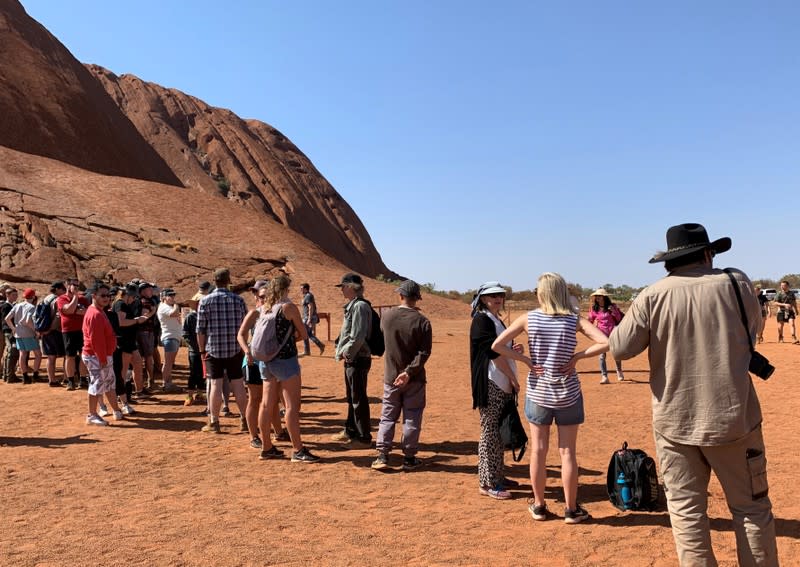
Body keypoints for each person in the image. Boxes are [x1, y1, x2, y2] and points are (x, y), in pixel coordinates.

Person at [609, 223, 778, 565]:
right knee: (750, 508)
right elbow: (755, 330)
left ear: (669, 262)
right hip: (735, 418)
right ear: (706, 252)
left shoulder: (651, 296)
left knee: (687, 515)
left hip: (675, 423)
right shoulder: (737, 283)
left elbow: (620, 347)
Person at [493, 273, 608, 524]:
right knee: (568, 452)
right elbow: (605, 342)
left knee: (539, 450)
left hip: (539, 392)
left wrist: (525, 361)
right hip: (568, 392)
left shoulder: (529, 319)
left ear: (542, 292)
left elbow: (497, 345)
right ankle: (571, 509)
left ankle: (539, 505)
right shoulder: (572, 320)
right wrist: (577, 357)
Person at [246, 275, 319, 462]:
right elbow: (303, 334)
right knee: (291, 406)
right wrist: (285, 341)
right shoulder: (288, 307)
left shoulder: (264, 308)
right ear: (286, 289)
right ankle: (298, 450)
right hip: (286, 361)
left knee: (266, 404)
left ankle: (267, 447)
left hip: (265, 361)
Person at [469, 282, 523, 499]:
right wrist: (511, 377)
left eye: (500, 295)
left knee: (499, 430)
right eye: (492, 296)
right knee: (490, 432)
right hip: (492, 382)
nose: (497, 298)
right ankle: (487, 482)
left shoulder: (494, 319)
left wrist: (514, 349)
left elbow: (503, 349)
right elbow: (493, 353)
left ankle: (497, 475)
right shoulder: (481, 320)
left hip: (501, 381)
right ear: (482, 298)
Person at [371, 280, 432, 471]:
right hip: (414, 379)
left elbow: (382, 339)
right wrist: (408, 372)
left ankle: (382, 455)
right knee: (412, 416)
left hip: (390, 376)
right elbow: (424, 352)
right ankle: (409, 457)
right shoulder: (423, 322)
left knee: (388, 415)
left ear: (400, 296)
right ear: (417, 298)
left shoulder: (386, 317)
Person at [196, 268, 248, 433]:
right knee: (238, 384)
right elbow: (245, 327)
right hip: (234, 349)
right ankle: (245, 420)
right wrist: (243, 346)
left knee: (215, 385)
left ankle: (214, 421)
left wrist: (202, 350)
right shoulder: (238, 300)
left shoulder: (206, 301)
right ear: (228, 280)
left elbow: (200, 330)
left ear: (214, 281)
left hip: (213, 349)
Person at [235, 280, 285, 449]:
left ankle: (278, 432)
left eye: (263, 294)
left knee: (272, 399)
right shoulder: (254, 313)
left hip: (272, 362)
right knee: (255, 399)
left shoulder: (276, 312)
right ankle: (253, 436)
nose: (258, 296)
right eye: (256, 292)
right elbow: (240, 335)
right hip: (253, 362)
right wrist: (247, 352)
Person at [332, 272, 374, 448]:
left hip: (357, 357)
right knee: (352, 397)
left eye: (342, 286)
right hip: (353, 357)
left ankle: (364, 438)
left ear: (350, 287)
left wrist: (345, 352)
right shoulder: (353, 305)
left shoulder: (359, 307)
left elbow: (357, 336)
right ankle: (350, 430)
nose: (341, 290)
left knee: (358, 398)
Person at [82, 283, 123, 425]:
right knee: (97, 384)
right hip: (96, 355)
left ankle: (116, 410)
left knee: (109, 382)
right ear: (94, 296)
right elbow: (96, 340)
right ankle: (92, 415)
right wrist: (102, 358)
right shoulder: (95, 314)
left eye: (108, 295)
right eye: (103, 295)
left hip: (103, 354)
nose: (107, 298)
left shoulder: (99, 311)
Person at [56, 278, 90, 390]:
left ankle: (83, 379)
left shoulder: (83, 299)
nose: (75, 287)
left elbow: (88, 312)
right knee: (70, 356)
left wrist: (75, 309)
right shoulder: (62, 298)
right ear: (67, 285)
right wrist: (75, 299)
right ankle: (70, 380)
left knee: (83, 355)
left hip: (82, 330)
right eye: (73, 285)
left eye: (77, 285)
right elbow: (69, 310)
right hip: (68, 331)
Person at [587, 288, 625, 383]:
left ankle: (619, 371)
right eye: (596, 296)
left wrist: (614, 311)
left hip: (613, 333)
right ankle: (604, 377)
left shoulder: (612, 306)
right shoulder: (594, 309)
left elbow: (619, 318)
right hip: (601, 335)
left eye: (599, 296)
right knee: (601, 356)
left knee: (616, 354)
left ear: (604, 297)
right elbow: (590, 321)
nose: (597, 298)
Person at [4, 288, 42, 384]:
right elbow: (27, 320)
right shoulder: (31, 307)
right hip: (28, 333)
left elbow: (7, 318)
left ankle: (25, 376)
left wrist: (13, 328)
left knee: (22, 354)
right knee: (38, 354)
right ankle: (35, 375)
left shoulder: (17, 306)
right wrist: (36, 331)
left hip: (18, 334)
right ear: (33, 297)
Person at [40, 281, 67, 386]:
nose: (64, 291)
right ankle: (66, 378)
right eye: (63, 289)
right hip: (56, 331)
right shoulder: (58, 300)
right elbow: (57, 317)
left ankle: (52, 380)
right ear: (57, 289)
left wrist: (42, 330)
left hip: (45, 330)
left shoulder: (45, 299)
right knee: (66, 355)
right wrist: (51, 329)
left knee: (50, 357)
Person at [156, 288, 182, 392]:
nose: (172, 297)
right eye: (169, 296)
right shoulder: (164, 307)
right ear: (163, 298)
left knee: (170, 362)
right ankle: (166, 384)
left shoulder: (167, 306)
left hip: (173, 336)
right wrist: (176, 305)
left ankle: (168, 383)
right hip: (169, 336)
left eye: (173, 295)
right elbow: (174, 314)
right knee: (168, 362)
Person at [181, 298, 205, 405]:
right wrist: (195, 346)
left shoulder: (205, 316)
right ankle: (189, 395)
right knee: (193, 373)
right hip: (194, 351)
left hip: (204, 350)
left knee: (202, 373)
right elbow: (185, 334)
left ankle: (199, 394)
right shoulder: (190, 317)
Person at [299, 283, 325, 356]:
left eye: (302, 288)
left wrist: (309, 319)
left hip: (308, 317)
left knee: (306, 333)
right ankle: (317, 347)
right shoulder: (306, 296)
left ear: (306, 289)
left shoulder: (308, 296)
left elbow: (311, 307)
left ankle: (308, 350)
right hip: (307, 317)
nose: (300, 290)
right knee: (308, 333)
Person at [1, 286, 20, 383]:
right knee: (12, 352)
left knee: (10, 353)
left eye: (16, 295)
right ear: (7, 295)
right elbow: (5, 320)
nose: (15, 297)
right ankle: (10, 376)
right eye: (13, 295)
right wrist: (12, 329)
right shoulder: (6, 306)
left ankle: (7, 375)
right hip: (9, 331)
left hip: (9, 330)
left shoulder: (11, 306)